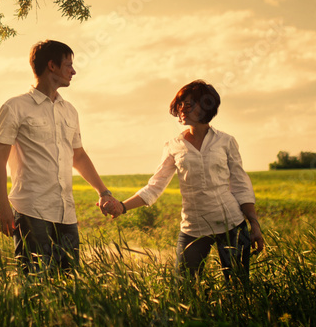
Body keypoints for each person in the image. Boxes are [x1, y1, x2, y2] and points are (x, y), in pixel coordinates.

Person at [103, 80, 265, 283]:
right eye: (179, 104)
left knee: (239, 286)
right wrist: (122, 207)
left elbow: (241, 186)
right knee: (184, 288)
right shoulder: (173, 146)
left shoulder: (226, 141)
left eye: (188, 104)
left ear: (206, 105)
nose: (182, 109)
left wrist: (254, 225)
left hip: (231, 224)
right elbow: (155, 186)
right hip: (193, 228)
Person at [0, 40, 119, 272]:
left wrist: (103, 192)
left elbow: (78, 156)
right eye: (68, 65)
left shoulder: (69, 110)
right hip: (31, 211)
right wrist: (1, 204)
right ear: (52, 66)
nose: (73, 71)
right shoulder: (15, 107)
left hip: (66, 212)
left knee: (70, 284)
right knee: (34, 283)